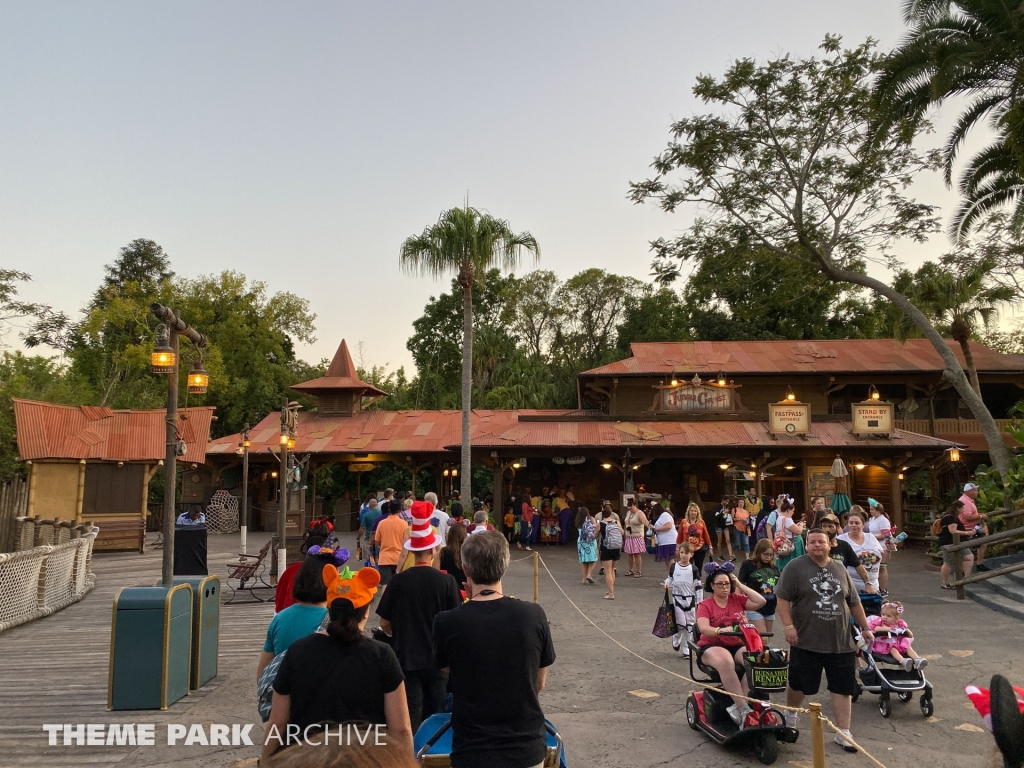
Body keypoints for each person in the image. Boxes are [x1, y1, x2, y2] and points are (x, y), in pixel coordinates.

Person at [261, 563, 412, 763]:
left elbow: (277, 723)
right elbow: (400, 729)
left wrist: (264, 760)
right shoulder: (381, 655)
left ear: (329, 609)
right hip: (366, 760)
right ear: (366, 611)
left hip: (308, 759)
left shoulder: (298, 651)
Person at [432, 532, 556, 768]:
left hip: (472, 748)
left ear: (465, 569)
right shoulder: (533, 615)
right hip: (525, 746)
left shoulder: (447, 622)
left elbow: (447, 667)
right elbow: (538, 683)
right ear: (505, 566)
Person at [775, 528, 875, 753]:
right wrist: (788, 626)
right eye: (812, 542)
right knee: (800, 683)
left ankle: (843, 732)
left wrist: (866, 627)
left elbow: (854, 601)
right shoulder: (795, 567)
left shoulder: (840, 568)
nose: (817, 545)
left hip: (840, 641)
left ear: (830, 544)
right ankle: (791, 715)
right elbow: (782, 598)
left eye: (821, 542)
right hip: (806, 640)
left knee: (843, 687)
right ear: (807, 545)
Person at [375, 501, 461, 731]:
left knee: (411, 715)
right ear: (434, 551)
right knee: (437, 714)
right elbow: (456, 620)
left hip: (406, 657)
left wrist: (399, 633)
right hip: (439, 660)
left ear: (411, 550)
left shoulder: (398, 581)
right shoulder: (447, 582)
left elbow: (384, 622)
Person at [695, 562, 768, 726]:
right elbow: (703, 628)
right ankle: (744, 710)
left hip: (736, 644)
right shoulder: (705, 605)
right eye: (720, 584)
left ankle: (739, 705)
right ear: (712, 586)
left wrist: (740, 584)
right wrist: (720, 631)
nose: (724, 587)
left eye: (727, 583)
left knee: (754, 660)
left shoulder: (737, 599)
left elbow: (761, 601)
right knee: (725, 661)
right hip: (712, 644)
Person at [817, 512, 877, 594]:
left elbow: (858, 566)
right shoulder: (817, 546)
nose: (827, 529)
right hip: (821, 587)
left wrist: (868, 583)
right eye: (824, 526)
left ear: (837, 527)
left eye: (830, 526)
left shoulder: (844, 545)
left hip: (841, 587)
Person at [664, 542, 702, 656]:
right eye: (681, 552)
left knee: (690, 625)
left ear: (691, 554)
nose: (684, 555)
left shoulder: (694, 569)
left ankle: (686, 646)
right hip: (677, 598)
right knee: (680, 623)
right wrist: (667, 583)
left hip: (690, 599)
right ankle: (676, 637)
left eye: (686, 553)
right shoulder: (674, 566)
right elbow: (670, 577)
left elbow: (698, 586)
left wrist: (700, 601)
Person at [867, 600, 926, 672]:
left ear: (896, 618)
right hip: (884, 644)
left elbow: (909, 634)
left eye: (888, 616)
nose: (884, 617)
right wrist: (888, 629)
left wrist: (905, 631)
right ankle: (903, 661)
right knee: (893, 649)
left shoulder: (899, 624)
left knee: (908, 646)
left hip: (897, 643)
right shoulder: (879, 622)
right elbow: (875, 628)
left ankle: (917, 659)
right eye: (883, 614)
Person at [837, 508, 884, 596]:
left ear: (863, 525)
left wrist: (889, 550)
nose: (853, 525)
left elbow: (883, 560)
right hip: (852, 588)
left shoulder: (871, 537)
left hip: (873, 587)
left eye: (857, 523)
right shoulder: (841, 539)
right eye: (851, 523)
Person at [738, 538, 780, 634]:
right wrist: (737, 605)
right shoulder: (747, 565)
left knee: (767, 637)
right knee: (762, 638)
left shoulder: (775, 568)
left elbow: (778, 587)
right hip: (753, 606)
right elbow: (739, 585)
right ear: (758, 552)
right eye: (765, 554)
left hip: (770, 606)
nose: (768, 557)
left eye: (771, 554)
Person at [940, 499, 975, 589]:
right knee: (948, 563)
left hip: (959, 542)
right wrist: (967, 533)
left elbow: (958, 529)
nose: (963, 510)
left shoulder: (954, 517)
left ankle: (966, 578)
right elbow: (953, 531)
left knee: (969, 557)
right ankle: (944, 582)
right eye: (962, 508)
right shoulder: (950, 518)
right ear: (958, 508)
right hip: (950, 543)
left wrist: (967, 531)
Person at [374, 500, 408, 588]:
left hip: (384, 558)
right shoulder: (404, 524)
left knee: (385, 584)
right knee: (399, 585)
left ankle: (385, 601)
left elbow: (377, 541)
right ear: (400, 510)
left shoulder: (381, 523)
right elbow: (407, 541)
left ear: (389, 509)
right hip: (399, 558)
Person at [865, 499, 894, 594]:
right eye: (870, 509)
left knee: (882, 567)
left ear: (878, 510)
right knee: (873, 568)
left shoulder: (883, 520)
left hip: (883, 546)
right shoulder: (871, 519)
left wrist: (871, 537)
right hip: (873, 547)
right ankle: (876, 587)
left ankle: (883, 589)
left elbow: (885, 535)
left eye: (872, 509)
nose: (870, 511)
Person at [958, 482, 989, 565]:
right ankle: (974, 566)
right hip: (966, 529)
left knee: (983, 542)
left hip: (973, 527)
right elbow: (968, 517)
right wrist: (981, 516)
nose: (977, 492)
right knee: (966, 551)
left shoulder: (968, 500)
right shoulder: (965, 501)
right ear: (969, 491)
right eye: (975, 490)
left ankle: (979, 563)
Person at [676, 502, 713, 571]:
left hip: (699, 548)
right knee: (687, 567)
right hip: (687, 548)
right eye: (692, 511)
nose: (693, 512)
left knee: (698, 567)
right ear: (688, 512)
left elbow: (706, 535)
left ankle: (697, 581)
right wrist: (678, 548)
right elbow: (679, 536)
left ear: (697, 513)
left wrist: (710, 546)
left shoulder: (702, 522)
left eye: (695, 511)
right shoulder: (683, 522)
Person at [599, 506, 623, 599]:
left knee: (607, 571)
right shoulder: (616, 522)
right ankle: (611, 589)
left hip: (606, 548)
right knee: (613, 569)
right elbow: (622, 532)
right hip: (616, 547)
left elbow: (595, 535)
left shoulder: (601, 524)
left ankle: (611, 594)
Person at [622, 497, 650, 577]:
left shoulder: (640, 513)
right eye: (628, 506)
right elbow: (626, 523)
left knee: (637, 554)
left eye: (631, 506)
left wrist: (650, 527)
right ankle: (630, 570)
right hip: (629, 536)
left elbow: (645, 522)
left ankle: (638, 571)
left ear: (635, 505)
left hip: (637, 536)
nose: (629, 508)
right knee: (630, 554)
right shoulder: (628, 513)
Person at [774, 500, 805, 570]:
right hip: (791, 543)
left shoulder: (780, 517)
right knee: (793, 562)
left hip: (783, 541)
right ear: (788, 510)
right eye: (792, 511)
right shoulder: (787, 519)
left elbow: (788, 528)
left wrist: (796, 525)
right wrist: (801, 524)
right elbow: (798, 531)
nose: (793, 513)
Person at [651, 502, 678, 575]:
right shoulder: (663, 516)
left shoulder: (664, 515)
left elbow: (669, 526)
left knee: (670, 560)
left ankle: (673, 577)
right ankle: (670, 577)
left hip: (669, 541)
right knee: (667, 560)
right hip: (666, 541)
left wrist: (657, 529)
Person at [440, 522, 468, 591]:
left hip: (447, 591)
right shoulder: (468, 551)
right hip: (465, 591)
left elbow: (435, 574)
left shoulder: (442, 552)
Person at [577, 506, 598, 584]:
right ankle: (589, 575)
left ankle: (584, 578)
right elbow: (595, 528)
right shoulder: (590, 519)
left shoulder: (579, 521)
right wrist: (595, 523)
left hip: (581, 541)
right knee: (593, 559)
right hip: (589, 541)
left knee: (584, 561)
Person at [357, 498, 381, 563]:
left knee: (369, 558)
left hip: (368, 538)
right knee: (378, 557)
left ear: (369, 506)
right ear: (377, 505)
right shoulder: (381, 513)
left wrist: (358, 537)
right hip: (379, 539)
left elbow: (362, 528)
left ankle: (370, 569)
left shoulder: (366, 515)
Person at [714, 497, 734, 561]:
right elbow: (717, 516)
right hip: (718, 525)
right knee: (720, 541)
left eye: (727, 502)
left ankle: (731, 555)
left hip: (725, 525)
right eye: (726, 501)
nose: (727, 503)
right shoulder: (718, 507)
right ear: (722, 500)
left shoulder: (726, 507)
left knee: (728, 540)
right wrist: (723, 512)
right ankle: (720, 555)